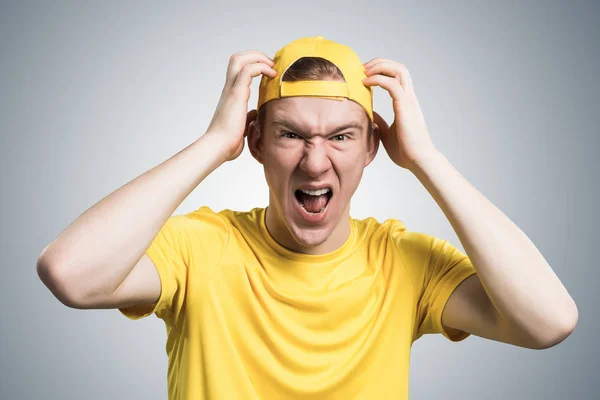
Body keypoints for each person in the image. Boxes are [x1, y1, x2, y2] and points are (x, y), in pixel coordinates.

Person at [37, 36, 578, 399]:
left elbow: (549, 322)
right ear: (256, 143)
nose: (315, 161)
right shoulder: (199, 249)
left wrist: (427, 161)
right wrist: (211, 144)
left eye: (341, 136)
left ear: (373, 148)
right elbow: (70, 274)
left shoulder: (404, 263)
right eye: (291, 134)